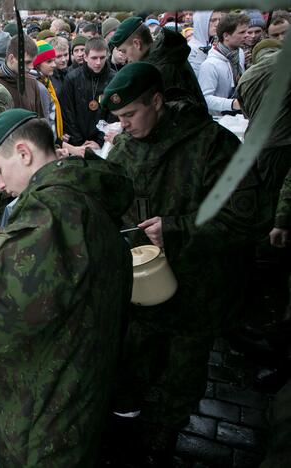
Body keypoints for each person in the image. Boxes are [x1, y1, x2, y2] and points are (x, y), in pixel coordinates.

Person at [0, 109, 134, 466]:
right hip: (83, 369)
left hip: (51, 400)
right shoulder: (83, 190)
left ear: (24, 154)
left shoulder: (50, 211)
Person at [103, 62, 264, 462]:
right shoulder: (123, 147)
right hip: (142, 293)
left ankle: (164, 439)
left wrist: (176, 229)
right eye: (117, 118)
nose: (122, 126)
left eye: (129, 115)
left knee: (180, 377)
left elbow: (246, 216)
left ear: (157, 102)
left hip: (196, 294)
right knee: (135, 368)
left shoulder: (212, 144)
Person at [110, 16, 205, 105]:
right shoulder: (164, 55)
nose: (124, 57)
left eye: (124, 51)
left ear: (137, 44)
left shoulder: (160, 68)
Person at [62, 38, 115, 151]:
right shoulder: (72, 78)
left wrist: (100, 142)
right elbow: (68, 113)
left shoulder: (114, 79)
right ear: (85, 57)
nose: (98, 62)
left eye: (102, 57)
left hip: (103, 142)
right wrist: (79, 143)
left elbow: (113, 115)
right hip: (77, 142)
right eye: (94, 58)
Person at [198, 13, 249, 115]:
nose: (247, 35)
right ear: (226, 36)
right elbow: (205, 99)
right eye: (242, 32)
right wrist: (233, 104)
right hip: (219, 121)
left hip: (239, 118)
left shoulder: (240, 53)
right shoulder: (210, 65)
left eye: (246, 31)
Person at [0, 34, 45, 117]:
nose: (31, 67)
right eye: (27, 62)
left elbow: (39, 118)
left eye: (32, 62)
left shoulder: (32, 82)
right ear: (11, 58)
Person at [32, 40, 64, 139]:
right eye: (49, 61)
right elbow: (45, 121)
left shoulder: (46, 82)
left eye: (54, 60)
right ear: (37, 64)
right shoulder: (39, 87)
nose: (54, 65)